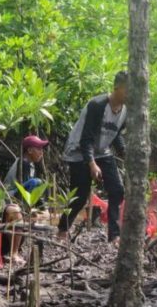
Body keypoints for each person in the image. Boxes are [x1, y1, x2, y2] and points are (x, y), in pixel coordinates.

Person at [58, 71, 127, 245]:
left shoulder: (126, 110)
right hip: (78, 151)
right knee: (80, 196)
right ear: (117, 87)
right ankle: (62, 229)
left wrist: (125, 153)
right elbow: (86, 138)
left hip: (102, 151)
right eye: (128, 89)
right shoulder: (98, 105)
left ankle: (114, 235)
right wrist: (92, 164)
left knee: (117, 190)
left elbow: (116, 133)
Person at [3, 135, 48, 212]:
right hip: (10, 197)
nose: (41, 153)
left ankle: (33, 208)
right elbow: (28, 187)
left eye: (42, 150)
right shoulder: (23, 163)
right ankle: (25, 209)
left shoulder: (30, 164)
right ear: (30, 150)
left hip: (16, 194)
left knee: (40, 183)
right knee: (36, 182)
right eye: (39, 149)